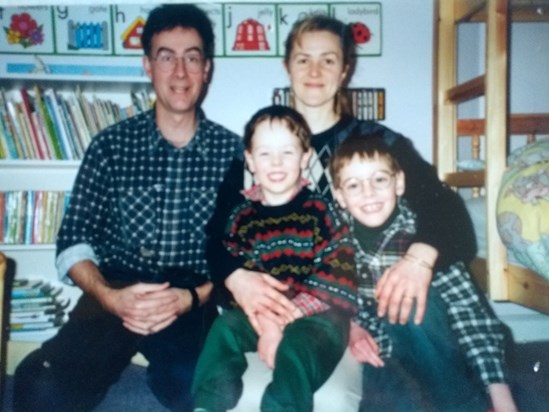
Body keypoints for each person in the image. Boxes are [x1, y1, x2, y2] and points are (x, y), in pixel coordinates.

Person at [13, 4, 242, 412]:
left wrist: (192, 296)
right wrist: (108, 297)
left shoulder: (234, 155)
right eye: (166, 57)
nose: (179, 72)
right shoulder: (109, 146)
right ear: (147, 66)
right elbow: (73, 240)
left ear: (206, 68)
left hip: (192, 296)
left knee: (205, 391)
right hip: (115, 290)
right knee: (40, 385)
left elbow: (240, 253)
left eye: (191, 58)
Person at [206, 14, 477, 332]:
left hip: (371, 298)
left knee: (420, 303)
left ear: (345, 70)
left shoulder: (379, 142)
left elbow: (448, 212)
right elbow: (216, 235)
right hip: (285, 310)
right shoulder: (259, 151)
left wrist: (418, 260)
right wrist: (236, 277)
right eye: (303, 59)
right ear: (287, 67)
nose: (314, 72)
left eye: (328, 60)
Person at [330, 134, 517, 412]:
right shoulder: (334, 241)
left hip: (442, 350)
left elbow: (471, 317)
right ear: (339, 196)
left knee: (406, 296)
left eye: (380, 179)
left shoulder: (426, 236)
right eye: (354, 185)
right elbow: (327, 297)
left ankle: (466, 405)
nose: (368, 192)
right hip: (385, 353)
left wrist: (501, 395)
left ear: (399, 182)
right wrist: (350, 326)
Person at [192, 105, 357, 412]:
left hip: (318, 317)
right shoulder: (241, 216)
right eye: (265, 154)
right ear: (251, 161)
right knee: (223, 328)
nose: (277, 162)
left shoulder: (322, 212)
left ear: (305, 158)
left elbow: (337, 277)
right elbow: (237, 279)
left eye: (287, 152)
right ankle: (208, 403)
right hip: (262, 314)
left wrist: (281, 322)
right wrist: (267, 324)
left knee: (296, 348)